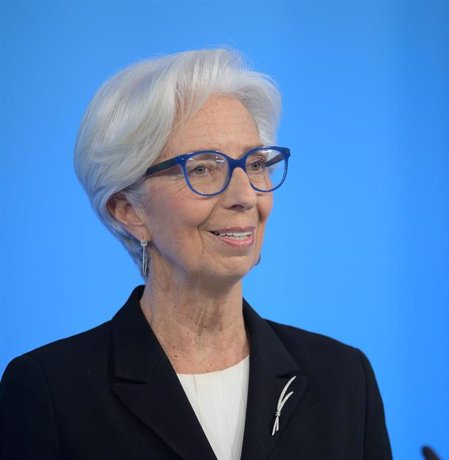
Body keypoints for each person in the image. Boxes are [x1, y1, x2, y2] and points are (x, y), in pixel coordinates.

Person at [0, 48, 392, 460]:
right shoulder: (51, 394)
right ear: (128, 211)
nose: (245, 196)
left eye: (255, 163)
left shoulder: (344, 379)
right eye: (204, 168)